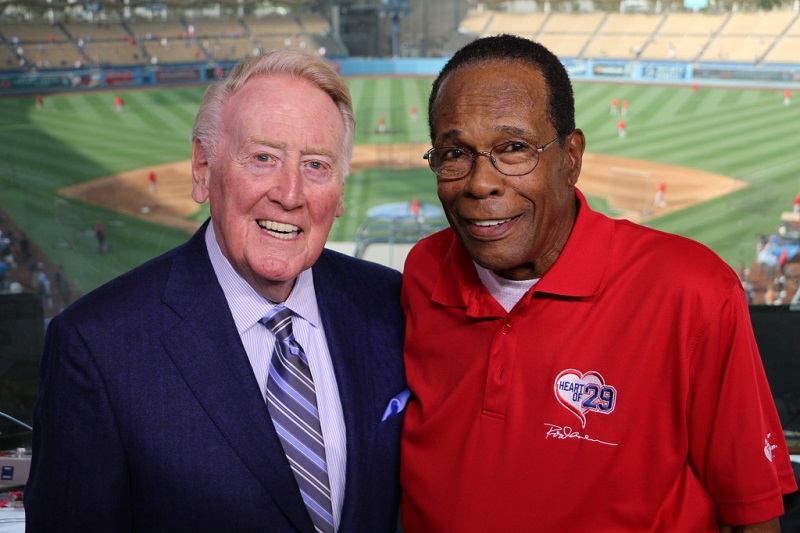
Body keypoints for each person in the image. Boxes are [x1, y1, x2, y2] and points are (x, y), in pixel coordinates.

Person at [400, 34, 797, 532]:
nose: (481, 183)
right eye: (455, 152)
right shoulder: (423, 271)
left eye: (515, 148)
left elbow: (753, 512)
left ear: (570, 157)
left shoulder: (691, 291)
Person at [25, 49, 407, 532]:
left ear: (340, 193)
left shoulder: (388, 304)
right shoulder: (96, 348)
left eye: (316, 165)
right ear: (203, 169)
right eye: (263, 157)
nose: (290, 194)